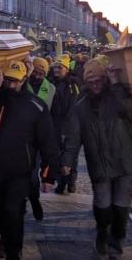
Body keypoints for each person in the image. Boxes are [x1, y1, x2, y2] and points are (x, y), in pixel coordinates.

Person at [0, 61, 60, 260]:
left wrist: (48, 175)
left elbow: (48, 142)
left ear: (24, 80)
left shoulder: (36, 106)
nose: (11, 85)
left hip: (18, 172)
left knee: (14, 214)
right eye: (8, 80)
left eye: (15, 81)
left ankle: (13, 251)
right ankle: (6, 236)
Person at [64, 60, 132, 259]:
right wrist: (68, 161)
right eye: (91, 82)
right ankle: (102, 232)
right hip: (99, 161)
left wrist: (116, 84)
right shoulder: (80, 106)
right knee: (102, 204)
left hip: (124, 160)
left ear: (104, 79)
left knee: (121, 205)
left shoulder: (117, 96)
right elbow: (73, 138)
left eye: (98, 81)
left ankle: (116, 241)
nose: (95, 85)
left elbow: (128, 110)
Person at [26, 56, 55, 220]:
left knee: (32, 176)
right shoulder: (23, 84)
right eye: (35, 72)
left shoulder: (51, 89)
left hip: (38, 138)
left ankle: (34, 200)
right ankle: (20, 205)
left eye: (41, 73)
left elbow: (54, 115)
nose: (37, 76)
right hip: (21, 136)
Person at [48, 54, 80, 194]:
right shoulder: (51, 82)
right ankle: (61, 183)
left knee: (71, 155)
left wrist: (68, 125)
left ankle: (71, 182)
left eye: (59, 67)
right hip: (55, 124)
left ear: (66, 69)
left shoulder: (71, 84)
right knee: (59, 155)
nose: (56, 70)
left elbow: (73, 105)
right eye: (55, 67)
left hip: (68, 125)